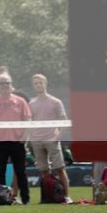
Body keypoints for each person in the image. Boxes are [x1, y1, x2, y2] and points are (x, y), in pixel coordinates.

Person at [0, 73, 34, 204]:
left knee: (21, 171)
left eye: (7, 83)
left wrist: (25, 137)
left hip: (17, 142)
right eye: (2, 83)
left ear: (11, 84)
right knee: (0, 171)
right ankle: (0, 197)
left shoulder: (20, 101)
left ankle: (26, 199)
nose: (5, 86)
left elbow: (28, 119)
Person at [28, 74, 69, 202]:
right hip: (37, 141)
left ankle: (67, 196)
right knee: (44, 170)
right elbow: (29, 122)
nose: (38, 85)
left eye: (40, 82)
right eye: (36, 83)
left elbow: (64, 121)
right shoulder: (31, 103)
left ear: (45, 84)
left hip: (52, 139)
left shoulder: (56, 102)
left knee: (60, 168)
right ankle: (49, 197)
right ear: (33, 86)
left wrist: (57, 136)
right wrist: (31, 137)